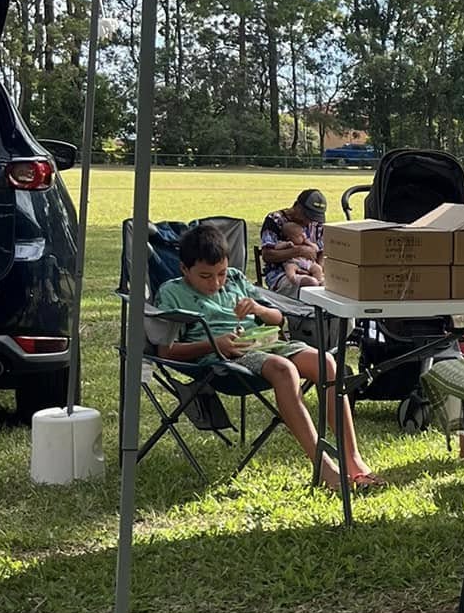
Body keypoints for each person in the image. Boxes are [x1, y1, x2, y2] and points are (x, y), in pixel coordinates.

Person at [154, 223, 382, 492]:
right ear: (184, 269)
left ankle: (352, 459)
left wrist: (259, 308)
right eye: (205, 276)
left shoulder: (236, 280)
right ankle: (323, 466)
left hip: (264, 343)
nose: (215, 283)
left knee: (327, 363)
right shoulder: (172, 293)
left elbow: (278, 318)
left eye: (221, 273)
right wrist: (214, 345)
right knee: (284, 370)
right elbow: (165, 351)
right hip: (223, 359)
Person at [259, 189, 327, 295]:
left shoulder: (316, 223)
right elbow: (267, 255)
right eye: (308, 216)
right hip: (281, 273)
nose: (309, 221)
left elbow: (322, 252)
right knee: (310, 285)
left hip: (312, 270)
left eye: (314, 218)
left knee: (330, 288)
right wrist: (299, 251)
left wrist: (315, 269)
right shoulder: (275, 220)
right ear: (298, 207)